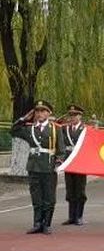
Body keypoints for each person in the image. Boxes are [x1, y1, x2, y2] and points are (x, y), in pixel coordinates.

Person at [11, 100, 65, 234]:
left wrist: (58, 163)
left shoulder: (55, 129)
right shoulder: (30, 128)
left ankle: (46, 224)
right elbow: (14, 131)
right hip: (33, 167)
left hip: (48, 167)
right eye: (37, 111)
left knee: (49, 197)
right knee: (36, 196)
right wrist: (24, 118)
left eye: (43, 111)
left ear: (49, 113)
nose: (40, 114)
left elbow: (61, 150)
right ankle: (37, 223)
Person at [61, 104, 88, 226]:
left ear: (80, 116)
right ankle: (71, 217)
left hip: (81, 162)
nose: (72, 117)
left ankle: (79, 216)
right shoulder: (64, 129)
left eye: (75, 115)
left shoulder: (86, 130)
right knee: (70, 189)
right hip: (69, 161)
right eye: (70, 115)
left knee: (80, 190)